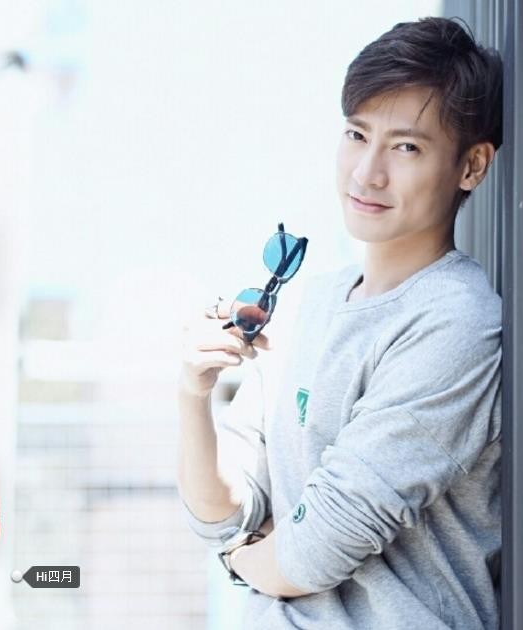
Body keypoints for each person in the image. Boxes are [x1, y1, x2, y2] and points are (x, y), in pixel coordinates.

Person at [177, 16, 503, 630]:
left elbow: (315, 550)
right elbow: (220, 514)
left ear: (472, 166)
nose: (366, 173)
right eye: (357, 135)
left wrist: (241, 557)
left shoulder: (454, 320)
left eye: (406, 147)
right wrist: (193, 396)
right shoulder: (311, 303)